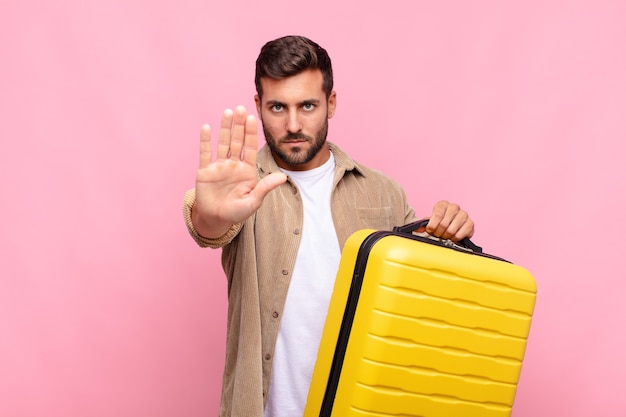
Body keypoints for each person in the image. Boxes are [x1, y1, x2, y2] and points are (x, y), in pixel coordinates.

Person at [182, 35, 475, 417]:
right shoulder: (242, 187)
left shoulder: (382, 192)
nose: (292, 124)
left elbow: (423, 294)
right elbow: (208, 225)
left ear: (330, 103)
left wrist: (451, 235)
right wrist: (212, 213)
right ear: (258, 106)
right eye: (276, 107)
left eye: (307, 106)